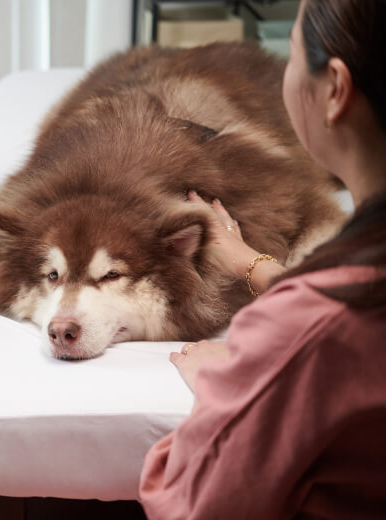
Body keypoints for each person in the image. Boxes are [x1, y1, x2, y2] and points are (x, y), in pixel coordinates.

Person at [139, 0, 386, 518]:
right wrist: (258, 266)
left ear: (336, 89)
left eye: (291, 55)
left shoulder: (307, 328)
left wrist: (225, 392)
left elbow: (196, 504)